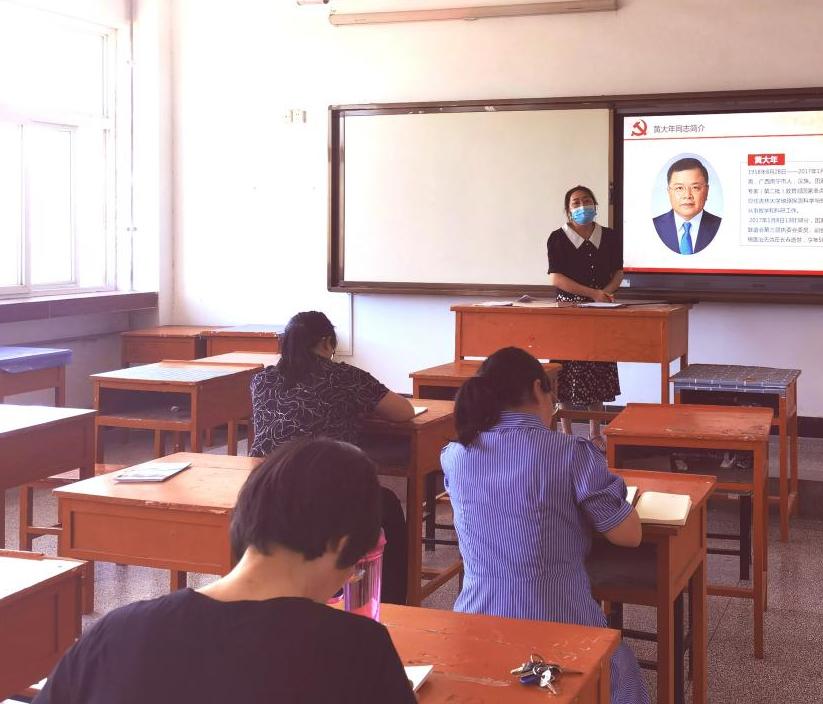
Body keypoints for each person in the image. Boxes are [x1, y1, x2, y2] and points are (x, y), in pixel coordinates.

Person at [34, 439, 415, 704]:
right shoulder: (359, 650)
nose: (347, 578)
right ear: (339, 543)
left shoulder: (115, 632)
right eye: (354, 565)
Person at [440, 347, 648, 704]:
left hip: (474, 625)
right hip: (558, 624)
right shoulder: (570, 452)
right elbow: (629, 535)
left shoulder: (455, 455)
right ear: (539, 388)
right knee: (621, 672)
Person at [249, 310, 414, 603]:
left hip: (269, 491)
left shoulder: (261, 380)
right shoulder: (345, 377)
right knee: (387, 505)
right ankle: (391, 604)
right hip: (326, 494)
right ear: (326, 342)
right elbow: (404, 411)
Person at [546, 185, 623, 438]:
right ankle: (566, 433)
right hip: (568, 313)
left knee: (597, 369)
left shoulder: (609, 236)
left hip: (599, 311)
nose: (582, 206)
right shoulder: (558, 238)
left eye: (587, 201)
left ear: (595, 204)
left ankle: (595, 434)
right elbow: (556, 278)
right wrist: (592, 293)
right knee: (566, 371)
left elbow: (618, 272)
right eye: (576, 202)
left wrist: (605, 293)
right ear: (568, 210)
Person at [652, 156, 721, 255]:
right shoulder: (654, 226)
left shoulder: (721, 226)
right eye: (679, 188)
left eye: (695, 187)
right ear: (669, 192)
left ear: (706, 191)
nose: (687, 195)